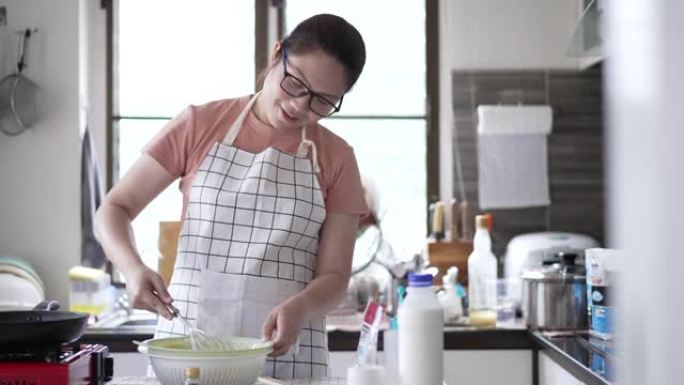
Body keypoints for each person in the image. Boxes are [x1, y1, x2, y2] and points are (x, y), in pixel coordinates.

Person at [94, 14, 367, 379]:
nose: (300, 106)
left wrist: (302, 307)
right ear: (276, 56)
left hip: (288, 353)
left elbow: (334, 275)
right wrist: (132, 268)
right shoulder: (200, 124)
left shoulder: (337, 157)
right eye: (294, 83)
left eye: (323, 101)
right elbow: (114, 208)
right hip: (191, 348)